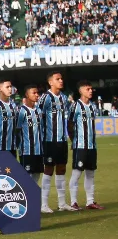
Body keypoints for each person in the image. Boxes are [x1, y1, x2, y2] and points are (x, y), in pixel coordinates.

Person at [39, 71, 73, 213]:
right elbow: (38, 117)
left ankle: (62, 203)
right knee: (48, 170)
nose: (61, 81)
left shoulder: (64, 98)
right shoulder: (45, 98)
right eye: (57, 79)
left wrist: (71, 136)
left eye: (61, 78)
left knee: (61, 169)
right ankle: (44, 204)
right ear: (50, 82)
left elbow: (68, 119)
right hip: (49, 140)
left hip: (61, 140)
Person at [67, 81, 103, 210]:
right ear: (81, 91)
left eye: (91, 89)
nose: (91, 91)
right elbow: (70, 124)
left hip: (92, 146)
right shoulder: (76, 106)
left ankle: (90, 201)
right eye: (88, 89)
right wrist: (73, 141)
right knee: (77, 173)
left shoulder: (92, 106)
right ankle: (73, 202)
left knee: (90, 174)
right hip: (80, 146)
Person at [17, 85, 44, 185]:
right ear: (27, 95)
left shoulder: (39, 111)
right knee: (26, 177)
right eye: (34, 93)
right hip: (26, 150)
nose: (37, 95)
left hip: (39, 150)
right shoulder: (21, 111)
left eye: (37, 93)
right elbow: (17, 129)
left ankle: (32, 197)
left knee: (37, 175)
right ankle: (26, 198)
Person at [0, 79, 18, 157]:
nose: (10, 89)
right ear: (0, 88)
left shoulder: (13, 104)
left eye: (10, 87)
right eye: (7, 87)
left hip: (12, 147)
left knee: (13, 169)